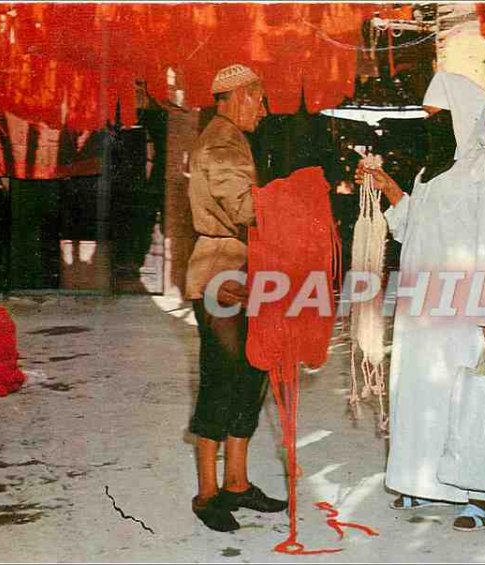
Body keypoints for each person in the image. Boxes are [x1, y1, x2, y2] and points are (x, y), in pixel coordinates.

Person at [356, 72, 485, 532]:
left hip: (469, 309)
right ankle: (422, 480)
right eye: (427, 119)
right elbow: (409, 225)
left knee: (469, 398)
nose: (431, 126)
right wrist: (384, 181)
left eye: (438, 118)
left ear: (462, 120)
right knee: (421, 395)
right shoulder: (428, 173)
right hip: (423, 309)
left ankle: (477, 494)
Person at [184, 64, 287, 532]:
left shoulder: (229, 138)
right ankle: (207, 494)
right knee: (223, 378)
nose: (264, 111)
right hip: (221, 272)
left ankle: (237, 483)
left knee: (250, 374)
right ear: (238, 96)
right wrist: (297, 205)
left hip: (243, 267)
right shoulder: (223, 143)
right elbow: (246, 208)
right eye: (259, 100)